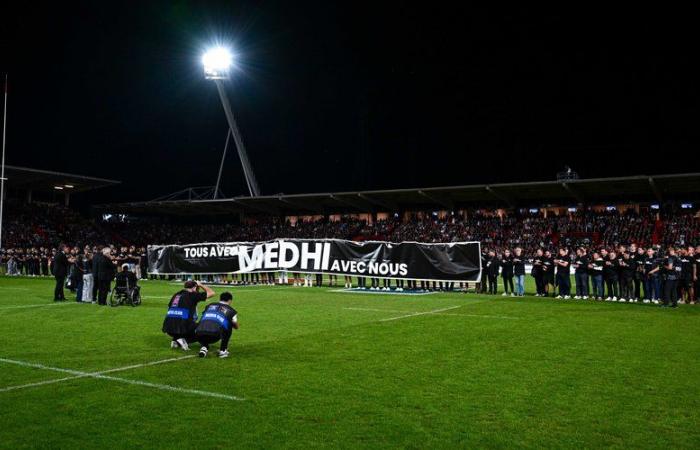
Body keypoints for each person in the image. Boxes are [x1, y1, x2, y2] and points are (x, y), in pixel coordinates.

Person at [163, 280, 215, 350]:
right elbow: (212, 293)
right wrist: (201, 285)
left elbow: (169, 307)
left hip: (168, 328)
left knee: (182, 320)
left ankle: (175, 340)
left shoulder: (176, 295)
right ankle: (184, 341)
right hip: (181, 327)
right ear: (194, 288)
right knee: (202, 328)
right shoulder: (193, 295)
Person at [195, 292, 239, 358]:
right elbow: (236, 326)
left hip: (198, 334)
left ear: (220, 298)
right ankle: (223, 351)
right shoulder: (231, 310)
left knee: (206, 321)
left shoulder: (209, 305)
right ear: (230, 300)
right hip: (215, 336)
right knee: (229, 324)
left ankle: (204, 347)